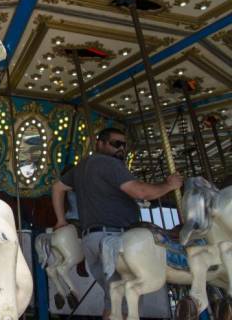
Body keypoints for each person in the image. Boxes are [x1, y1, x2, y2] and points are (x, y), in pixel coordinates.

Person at [51, 127, 183, 319]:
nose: (121, 148)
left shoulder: (82, 167)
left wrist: (61, 220)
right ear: (100, 143)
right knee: (126, 301)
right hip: (115, 238)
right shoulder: (110, 164)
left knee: (115, 299)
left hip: (92, 241)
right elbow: (140, 192)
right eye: (116, 144)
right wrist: (168, 185)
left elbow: (57, 187)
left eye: (123, 145)